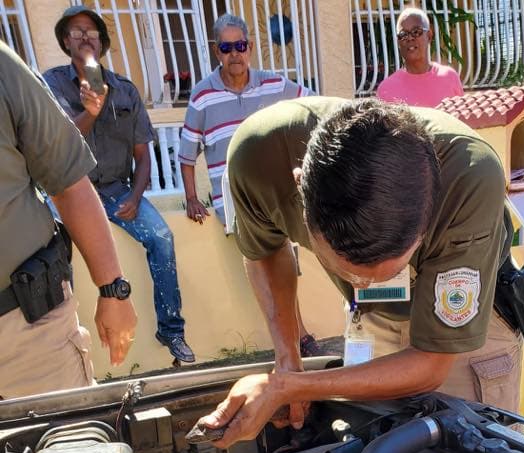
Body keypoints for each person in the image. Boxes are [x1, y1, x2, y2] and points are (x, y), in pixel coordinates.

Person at [199, 97, 519, 447]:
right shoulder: (259, 157)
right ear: (299, 186)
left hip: (466, 320)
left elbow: (432, 363)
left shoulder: (469, 176)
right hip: (371, 317)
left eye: (383, 272)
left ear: (429, 220)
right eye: (349, 273)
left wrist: (284, 386)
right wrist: (288, 360)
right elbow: (264, 250)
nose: (364, 284)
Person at [44, 4, 195, 363]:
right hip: (70, 191)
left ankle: (173, 334)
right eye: (76, 31)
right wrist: (90, 112)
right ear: (66, 40)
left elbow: (143, 157)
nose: (84, 37)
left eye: (91, 31)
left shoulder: (125, 90)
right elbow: (56, 147)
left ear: (102, 41)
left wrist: (136, 196)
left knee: (161, 237)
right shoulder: (50, 85)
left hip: (117, 190)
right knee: (53, 253)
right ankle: (63, 343)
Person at [0, 41, 137, 400]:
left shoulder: (4, 67)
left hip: (26, 332)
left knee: (69, 449)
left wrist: (113, 289)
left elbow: (68, 177)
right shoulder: (57, 80)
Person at [179, 14, 320, 359]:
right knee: (260, 264)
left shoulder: (274, 85)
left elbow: (312, 105)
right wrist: (192, 198)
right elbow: (187, 153)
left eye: (240, 46)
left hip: (275, 193)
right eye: (226, 48)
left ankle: (295, 336)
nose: (235, 54)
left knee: (286, 263)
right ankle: (289, 339)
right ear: (217, 52)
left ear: (250, 47)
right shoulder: (202, 96)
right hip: (234, 198)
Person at [376, 7, 463, 108]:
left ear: (429, 36)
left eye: (416, 32)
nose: (409, 38)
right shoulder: (386, 89)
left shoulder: (449, 78)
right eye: (403, 34)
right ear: (398, 41)